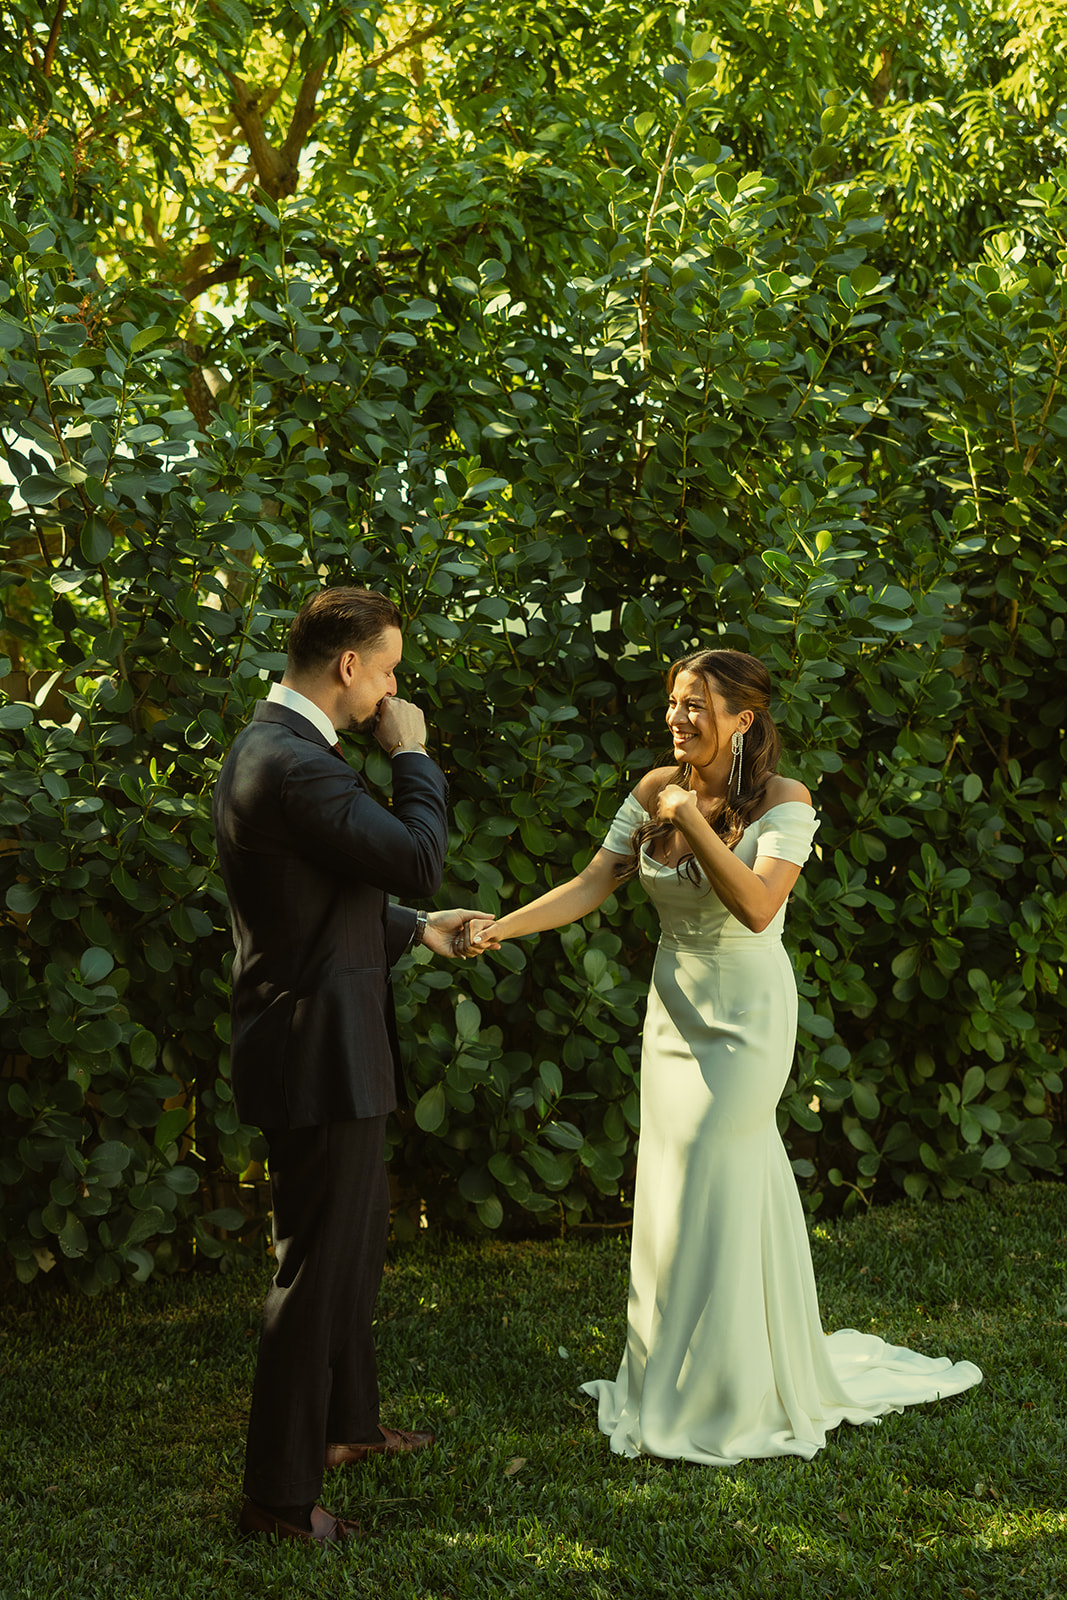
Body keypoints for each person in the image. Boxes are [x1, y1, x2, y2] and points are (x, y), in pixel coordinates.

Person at [463, 648, 982, 1464]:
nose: (677, 718)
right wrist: (498, 926)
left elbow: (754, 906)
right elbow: (592, 882)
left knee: (719, 1163)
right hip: (672, 1013)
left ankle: (739, 1383)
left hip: (745, 1016)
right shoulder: (648, 789)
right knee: (674, 1179)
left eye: (696, 705)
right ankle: (676, 1368)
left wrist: (691, 817)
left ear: (743, 719)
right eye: (673, 703)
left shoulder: (786, 801)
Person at [212, 586, 483, 1543]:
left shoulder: (283, 754)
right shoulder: (294, 765)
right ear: (348, 668)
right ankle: (279, 1504)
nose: (395, 689)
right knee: (315, 1273)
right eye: (392, 671)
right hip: (316, 1053)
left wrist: (420, 932)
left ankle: (346, 1429)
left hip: (325, 1043)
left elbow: (321, 895)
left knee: (350, 1252)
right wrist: (411, 755)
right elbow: (413, 857)